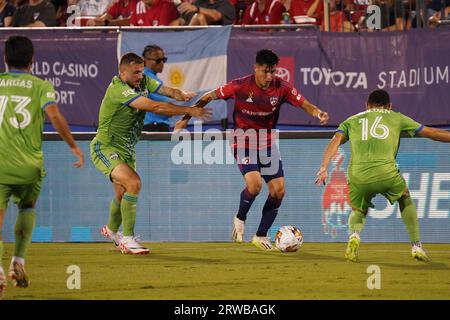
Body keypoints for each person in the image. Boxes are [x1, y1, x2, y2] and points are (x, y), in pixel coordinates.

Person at [176, 49, 328, 251]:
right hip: (243, 141)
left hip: (266, 143)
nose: (269, 76)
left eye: (273, 71)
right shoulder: (239, 85)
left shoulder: (281, 88)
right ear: (255, 68)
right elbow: (208, 96)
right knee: (255, 186)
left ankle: (260, 235)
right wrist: (185, 118)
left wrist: (318, 113)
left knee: (278, 191)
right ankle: (240, 218)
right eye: (265, 71)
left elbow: (304, 104)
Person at [91, 52, 211, 255]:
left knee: (121, 193)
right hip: (105, 147)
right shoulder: (119, 90)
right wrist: (189, 110)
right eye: (135, 72)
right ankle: (127, 239)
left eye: (140, 71)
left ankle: (111, 230)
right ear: (122, 72)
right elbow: (155, 106)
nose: (139, 76)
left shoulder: (144, 80)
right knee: (134, 183)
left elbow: (166, 90)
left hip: (126, 149)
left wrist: (180, 94)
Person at [315, 89, 450, 262]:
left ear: (366, 105)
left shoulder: (351, 120)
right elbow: (433, 133)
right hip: (386, 173)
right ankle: (416, 246)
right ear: (389, 106)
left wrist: (324, 166)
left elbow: (334, 141)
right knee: (404, 197)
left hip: (358, 175)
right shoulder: (396, 117)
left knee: (358, 209)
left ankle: (354, 236)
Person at [0, 36, 85, 299]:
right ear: (32, 61)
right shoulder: (40, 85)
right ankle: (19, 260)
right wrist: (73, 147)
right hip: (29, 165)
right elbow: (54, 115)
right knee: (27, 207)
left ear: (5, 59)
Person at [142, 44, 196, 132]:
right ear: (144, 60)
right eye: (158, 60)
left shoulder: (148, 77)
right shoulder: (148, 78)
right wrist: (190, 111)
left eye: (164, 60)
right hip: (153, 128)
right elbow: (165, 107)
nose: (162, 63)